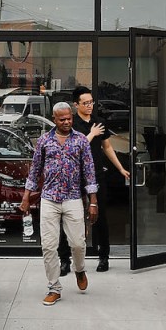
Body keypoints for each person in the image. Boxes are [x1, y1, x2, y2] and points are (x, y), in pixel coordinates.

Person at [19, 101, 98, 306]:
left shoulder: (81, 141)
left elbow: (89, 172)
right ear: (54, 119)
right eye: (62, 119)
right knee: (48, 246)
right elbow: (35, 170)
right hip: (49, 199)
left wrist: (93, 201)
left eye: (69, 118)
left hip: (73, 198)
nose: (66, 122)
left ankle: (79, 270)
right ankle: (54, 287)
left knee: (78, 243)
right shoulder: (44, 141)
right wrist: (26, 196)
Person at [58, 85, 130, 274]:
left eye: (91, 102)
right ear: (76, 105)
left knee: (100, 217)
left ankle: (103, 257)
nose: (90, 106)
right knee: (68, 217)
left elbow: (107, 147)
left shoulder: (99, 121)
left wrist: (121, 168)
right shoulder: (71, 124)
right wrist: (91, 134)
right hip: (73, 177)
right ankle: (65, 260)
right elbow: (72, 148)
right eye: (86, 103)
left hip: (96, 175)